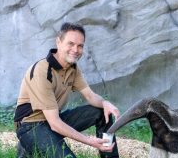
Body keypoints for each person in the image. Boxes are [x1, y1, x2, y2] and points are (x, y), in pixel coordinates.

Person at [14, 22, 120, 158]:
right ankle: (28, 145)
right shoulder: (42, 70)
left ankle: (109, 154)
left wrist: (105, 103)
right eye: (71, 44)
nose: (75, 50)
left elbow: (90, 96)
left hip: (52, 120)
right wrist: (89, 141)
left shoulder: (73, 69)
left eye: (80, 46)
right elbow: (55, 124)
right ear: (58, 42)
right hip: (30, 126)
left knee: (102, 112)